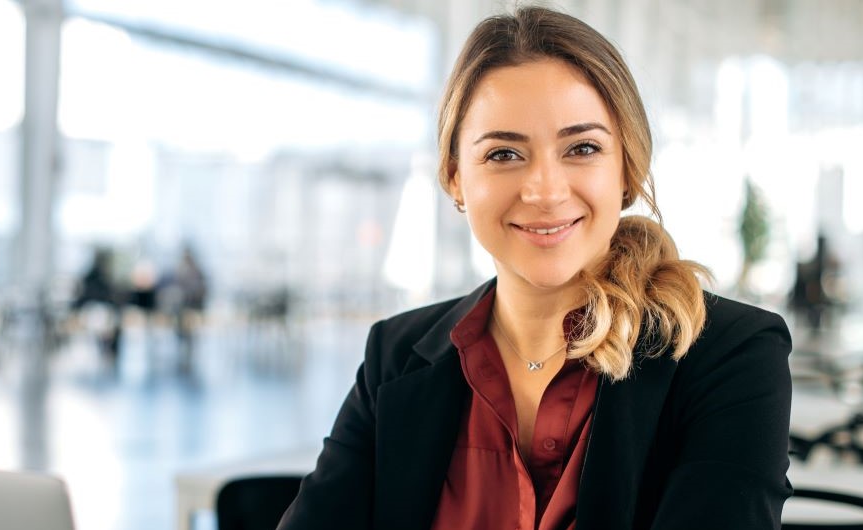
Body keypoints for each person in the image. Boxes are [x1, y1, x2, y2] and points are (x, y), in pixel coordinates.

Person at [278, 6, 792, 530]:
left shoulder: (729, 355)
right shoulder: (394, 357)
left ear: (627, 169)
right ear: (455, 177)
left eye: (582, 148)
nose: (545, 191)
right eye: (503, 154)